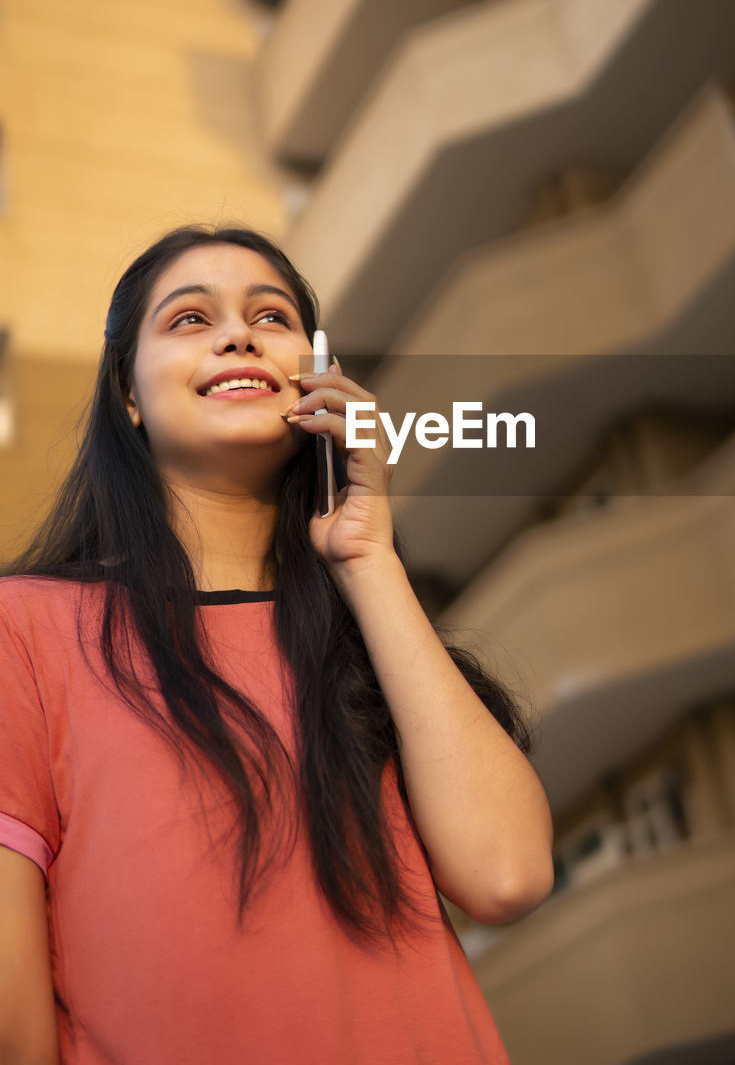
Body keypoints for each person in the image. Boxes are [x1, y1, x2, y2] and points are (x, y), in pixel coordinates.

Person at [0, 224, 554, 1065]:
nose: (237, 333)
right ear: (129, 397)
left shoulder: (372, 640)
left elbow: (507, 875)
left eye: (272, 316)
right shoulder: (25, 627)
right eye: (189, 319)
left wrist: (367, 558)